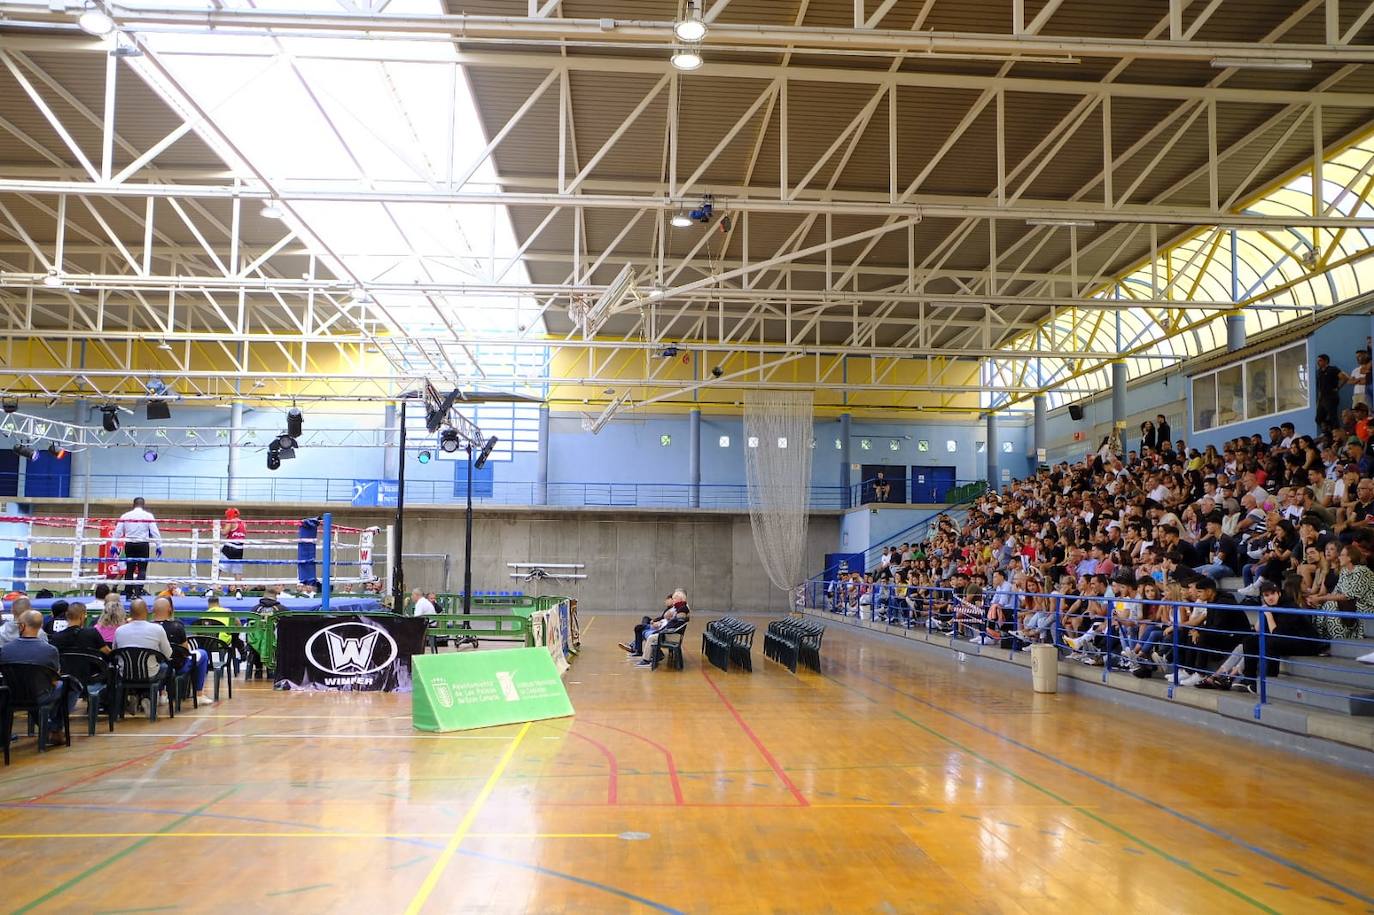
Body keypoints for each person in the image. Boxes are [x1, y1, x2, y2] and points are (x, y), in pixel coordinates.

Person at [0, 609, 67, 745]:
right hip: (40, 695)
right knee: (68, 685)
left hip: (10, 695)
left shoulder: (5, 649)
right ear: (40, 626)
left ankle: (50, 727)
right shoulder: (50, 650)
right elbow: (55, 679)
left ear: (22, 626)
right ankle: (54, 727)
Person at [152, 596, 213, 705]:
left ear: (153, 610)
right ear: (170, 609)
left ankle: (162, 694)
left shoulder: (149, 627)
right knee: (202, 654)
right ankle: (199, 694)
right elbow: (186, 650)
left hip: (155, 667)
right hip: (177, 667)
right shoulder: (177, 626)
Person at [1309, 543, 1372, 641]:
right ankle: (1323, 639)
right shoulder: (1344, 571)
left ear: (1350, 557)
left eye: (1342, 555)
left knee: (1331, 605)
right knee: (1321, 605)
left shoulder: (1361, 571)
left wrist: (1322, 598)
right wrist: (1316, 599)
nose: (1339, 557)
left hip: (1364, 606)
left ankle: (1340, 640)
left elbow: (1348, 595)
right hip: (1349, 605)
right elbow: (1336, 591)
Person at [110, 497, 163, 599]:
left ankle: (128, 593)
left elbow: (117, 532)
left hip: (129, 544)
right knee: (142, 569)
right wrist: (159, 545)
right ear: (143, 505)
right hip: (143, 544)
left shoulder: (125, 515)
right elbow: (154, 531)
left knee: (129, 569)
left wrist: (114, 545)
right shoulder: (148, 515)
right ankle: (138, 593)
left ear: (133, 505)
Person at [634, 590, 690, 669]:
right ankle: (649, 657)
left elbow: (676, 624)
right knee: (650, 634)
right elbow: (671, 622)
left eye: (674, 599)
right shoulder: (678, 608)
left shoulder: (682, 609)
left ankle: (646, 660)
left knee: (651, 637)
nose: (673, 600)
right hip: (670, 632)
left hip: (671, 635)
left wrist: (661, 630)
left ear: (679, 599)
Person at [1315, 353, 1347, 435]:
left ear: (1326, 361)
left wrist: (1337, 388)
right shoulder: (1319, 372)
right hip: (1322, 398)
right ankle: (1329, 433)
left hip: (1331, 397)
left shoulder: (1333, 369)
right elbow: (1319, 388)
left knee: (1333, 416)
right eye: (1317, 361)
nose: (1318, 362)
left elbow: (1344, 378)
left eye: (1320, 361)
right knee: (1318, 418)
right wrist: (1319, 400)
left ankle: (1337, 433)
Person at [221, 507, 247, 594]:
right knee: (237, 570)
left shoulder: (231, 521)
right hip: (240, 548)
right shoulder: (243, 523)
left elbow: (224, 533)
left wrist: (217, 528)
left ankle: (212, 587)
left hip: (230, 546)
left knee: (218, 566)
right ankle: (238, 590)